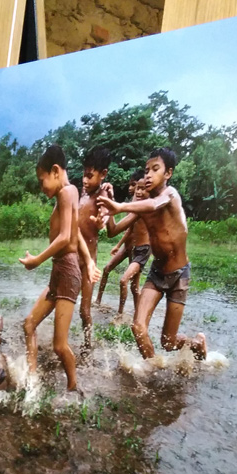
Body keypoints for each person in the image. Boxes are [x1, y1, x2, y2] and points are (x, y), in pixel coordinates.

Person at [98, 148, 206, 360]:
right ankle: (155, 370)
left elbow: (156, 203)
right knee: (138, 327)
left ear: (168, 174)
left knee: (168, 342)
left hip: (179, 275)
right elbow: (112, 231)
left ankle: (198, 343)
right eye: (146, 170)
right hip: (157, 274)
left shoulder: (170, 195)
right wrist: (108, 205)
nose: (148, 175)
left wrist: (120, 206)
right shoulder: (139, 208)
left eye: (155, 169)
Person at [19, 144, 99, 392]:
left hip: (66, 273)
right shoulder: (70, 193)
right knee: (29, 324)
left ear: (55, 171)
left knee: (59, 345)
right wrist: (89, 261)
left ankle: (74, 389)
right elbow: (75, 232)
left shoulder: (66, 193)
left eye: (42, 180)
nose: (42, 187)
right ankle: (31, 379)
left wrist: (37, 260)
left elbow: (65, 237)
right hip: (60, 272)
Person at [78, 145, 113, 349]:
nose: (85, 180)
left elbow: (105, 215)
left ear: (103, 174)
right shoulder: (81, 193)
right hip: (73, 257)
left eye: (90, 176)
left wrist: (102, 220)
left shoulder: (102, 196)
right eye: (84, 174)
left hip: (89, 262)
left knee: (84, 309)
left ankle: (88, 344)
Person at [95, 169, 143, 307]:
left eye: (134, 185)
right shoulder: (134, 202)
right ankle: (98, 300)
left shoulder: (144, 203)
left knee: (133, 286)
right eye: (132, 185)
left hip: (139, 249)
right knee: (106, 269)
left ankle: (131, 315)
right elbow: (128, 228)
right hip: (127, 246)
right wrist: (118, 245)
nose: (131, 188)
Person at [105, 176, 151, 315]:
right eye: (138, 188)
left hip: (144, 250)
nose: (139, 192)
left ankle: (120, 314)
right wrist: (109, 203)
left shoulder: (149, 206)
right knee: (134, 287)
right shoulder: (136, 208)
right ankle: (139, 315)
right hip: (134, 249)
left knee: (124, 280)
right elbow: (114, 230)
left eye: (143, 189)